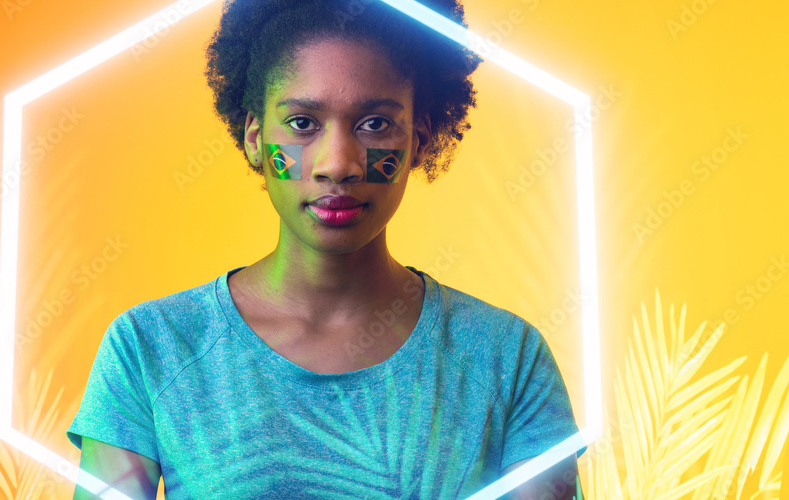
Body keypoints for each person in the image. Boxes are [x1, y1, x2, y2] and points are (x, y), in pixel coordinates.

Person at [67, 0, 584, 498]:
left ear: (418, 140)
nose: (338, 163)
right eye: (302, 123)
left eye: (375, 123)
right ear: (254, 137)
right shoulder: (151, 348)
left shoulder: (507, 359)